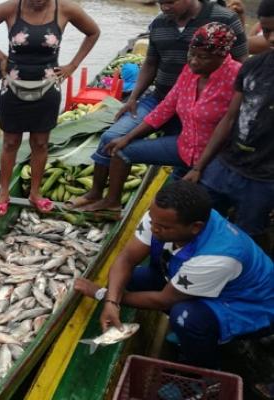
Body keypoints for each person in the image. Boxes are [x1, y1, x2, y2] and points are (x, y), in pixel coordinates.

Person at [68, 0, 247, 210]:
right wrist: (130, 122)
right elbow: (165, 104)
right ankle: (107, 200)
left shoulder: (236, 77)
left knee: (189, 205)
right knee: (116, 144)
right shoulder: (187, 68)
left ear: (221, 55)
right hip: (178, 130)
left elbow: (229, 123)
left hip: (213, 157)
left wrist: (199, 168)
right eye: (192, 55)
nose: (193, 61)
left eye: (202, 57)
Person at [75, 181, 274, 369]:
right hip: (204, 283)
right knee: (131, 279)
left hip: (248, 305)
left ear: (195, 227)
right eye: (152, 221)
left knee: (185, 317)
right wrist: (112, 301)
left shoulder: (218, 256)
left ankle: (204, 376)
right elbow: (127, 258)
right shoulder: (162, 217)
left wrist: (101, 294)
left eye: (163, 227)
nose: (153, 229)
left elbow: (164, 301)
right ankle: (195, 336)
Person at [0, 0, 100, 215]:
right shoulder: (11, 8)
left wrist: (73, 65)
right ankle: (3, 192)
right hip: (13, 87)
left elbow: (93, 32)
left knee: (40, 143)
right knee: (10, 142)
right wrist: (1, 56)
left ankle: (35, 193)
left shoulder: (66, 9)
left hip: (47, 88)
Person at [183, 0, 274, 251]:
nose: (271, 38)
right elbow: (230, 118)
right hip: (227, 165)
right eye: (266, 31)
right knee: (200, 219)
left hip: (264, 178)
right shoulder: (254, 66)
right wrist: (200, 167)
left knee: (248, 237)